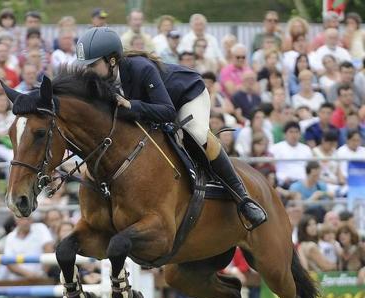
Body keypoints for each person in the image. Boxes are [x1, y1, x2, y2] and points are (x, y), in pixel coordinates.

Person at [75, 27, 267, 228]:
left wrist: (132, 106)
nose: (87, 71)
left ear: (111, 60)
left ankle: (242, 198)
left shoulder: (141, 68)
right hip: (154, 107)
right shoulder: (100, 80)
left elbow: (167, 111)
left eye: (92, 65)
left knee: (196, 134)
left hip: (186, 96)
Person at [269, 121, 313, 186]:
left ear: (300, 134)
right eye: (291, 132)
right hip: (284, 182)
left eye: (296, 132)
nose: (294, 135)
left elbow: (310, 168)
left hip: (304, 183)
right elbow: (272, 167)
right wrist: (282, 177)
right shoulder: (275, 148)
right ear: (285, 134)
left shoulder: (306, 149)